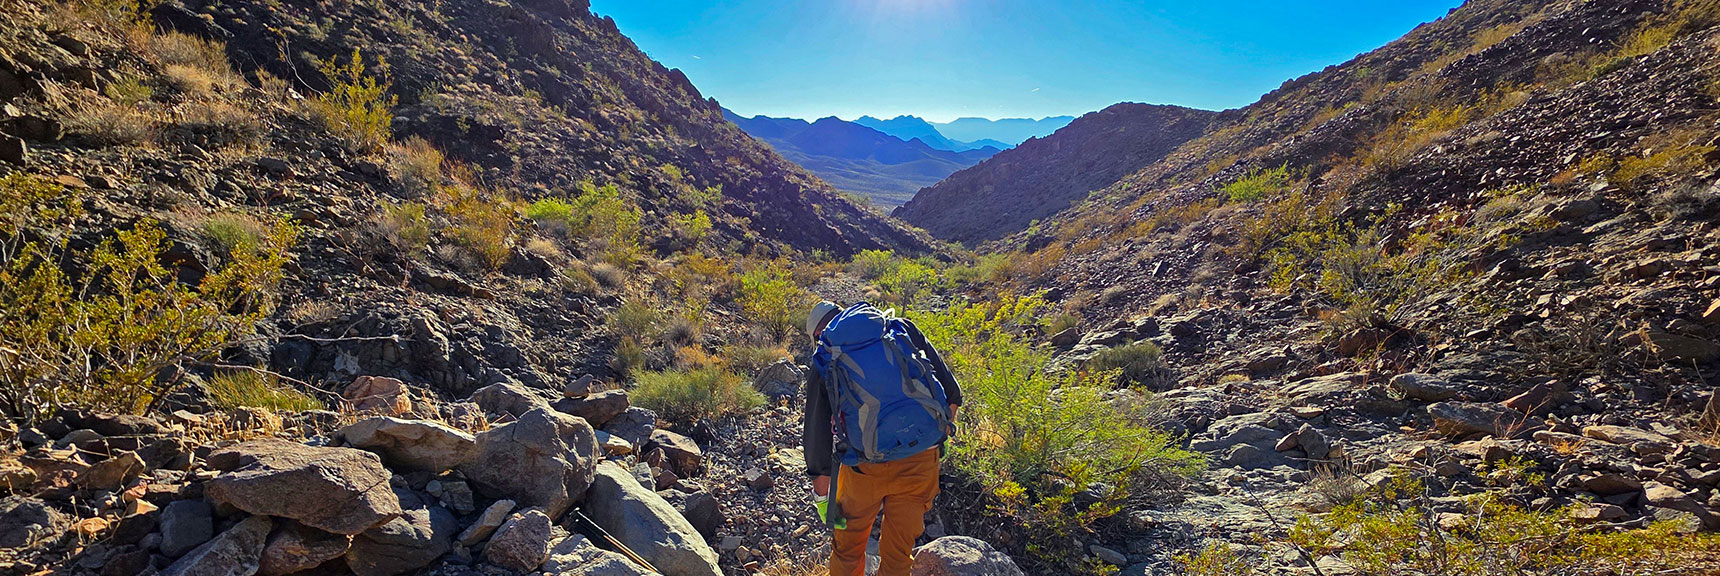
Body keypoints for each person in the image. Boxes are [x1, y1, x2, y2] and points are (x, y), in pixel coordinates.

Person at [802, 300, 962, 576]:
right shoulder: (900, 330)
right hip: (920, 463)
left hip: (863, 469)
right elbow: (953, 395)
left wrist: (823, 497)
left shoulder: (826, 357)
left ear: (818, 334)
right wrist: (934, 439)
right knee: (898, 552)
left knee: (848, 549)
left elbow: (816, 437)